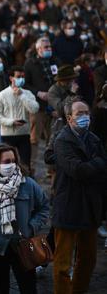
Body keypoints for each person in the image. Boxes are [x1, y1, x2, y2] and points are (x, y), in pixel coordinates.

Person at [0, 144, 50, 294]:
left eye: (13, 160)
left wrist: (32, 227)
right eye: (6, 162)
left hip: (23, 245)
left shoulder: (28, 184)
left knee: (29, 287)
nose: (11, 165)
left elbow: (44, 207)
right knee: (1, 287)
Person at [52, 100, 107, 294]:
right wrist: (98, 163)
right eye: (80, 113)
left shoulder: (93, 139)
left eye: (87, 113)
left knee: (88, 258)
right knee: (62, 262)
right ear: (69, 118)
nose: (85, 117)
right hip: (69, 205)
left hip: (90, 206)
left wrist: (96, 165)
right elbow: (78, 170)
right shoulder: (62, 141)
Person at [0, 66, 39, 170]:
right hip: (8, 135)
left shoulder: (27, 93)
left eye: (22, 76)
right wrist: (11, 122)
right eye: (18, 76)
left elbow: (34, 109)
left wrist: (22, 96)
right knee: (7, 164)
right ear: (11, 78)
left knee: (25, 164)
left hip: (24, 134)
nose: (21, 79)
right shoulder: (2, 95)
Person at [24, 37, 61, 146]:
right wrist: (38, 93)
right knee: (34, 139)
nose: (49, 49)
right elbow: (25, 84)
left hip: (54, 104)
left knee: (53, 139)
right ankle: (32, 162)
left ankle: (51, 162)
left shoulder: (55, 61)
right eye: (46, 47)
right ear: (38, 49)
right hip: (37, 106)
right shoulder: (30, 63)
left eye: (50, 47)